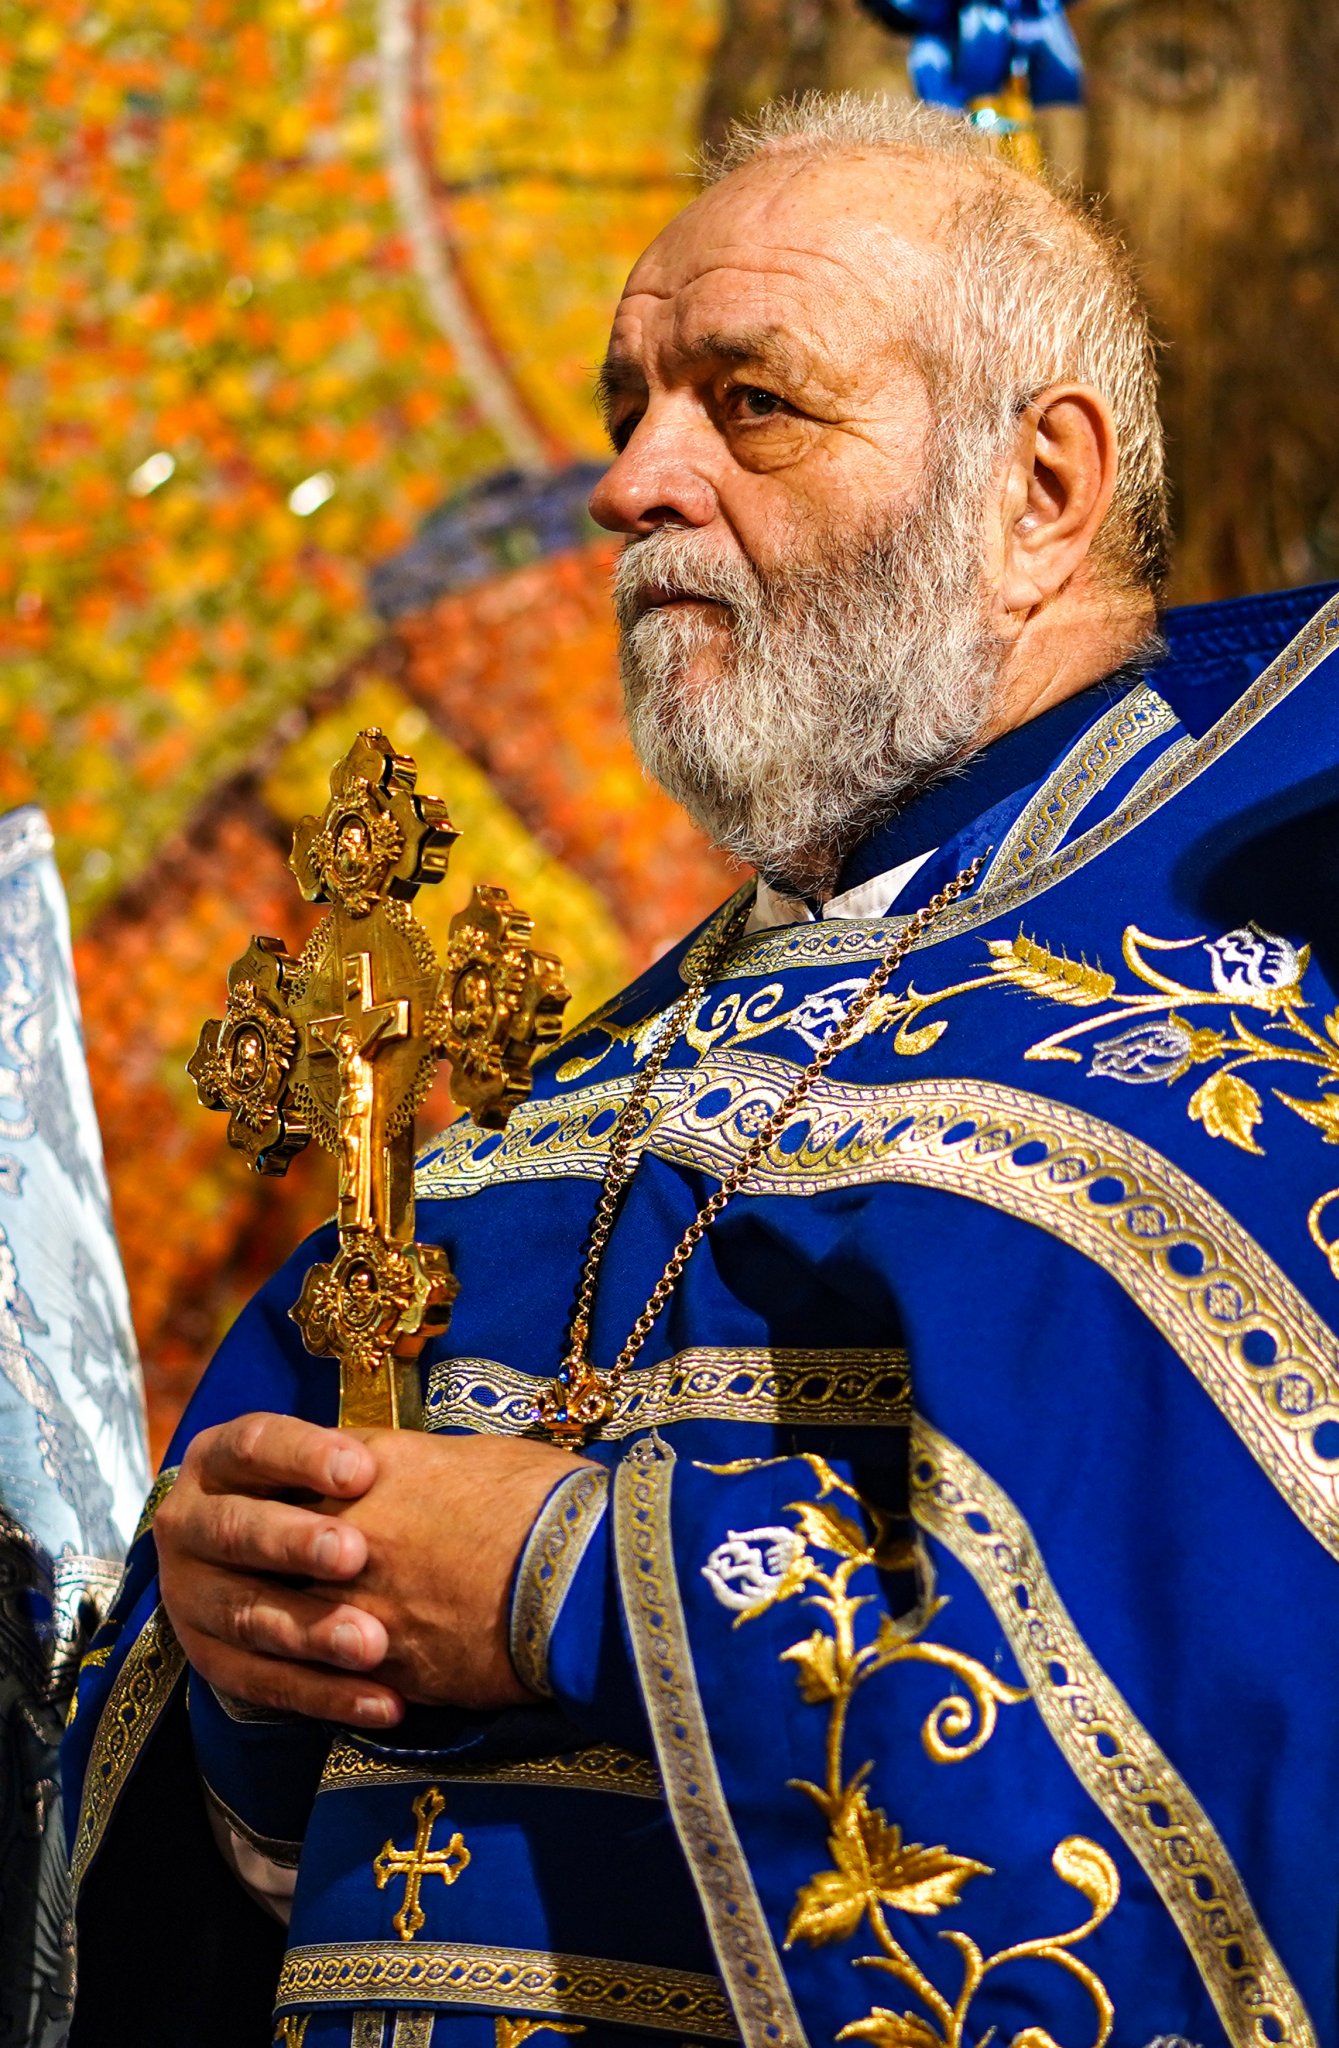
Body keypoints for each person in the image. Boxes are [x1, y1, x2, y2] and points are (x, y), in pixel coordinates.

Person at [64, 92, 1339, 2048]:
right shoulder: (558, 1107)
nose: (634, 481)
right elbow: (208, 1880)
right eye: (625, 406)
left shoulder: (1241, 1030)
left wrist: (569, 1575)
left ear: (1040, 489)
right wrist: (246, 1637)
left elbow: (1235, 1757)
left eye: (751, 400)